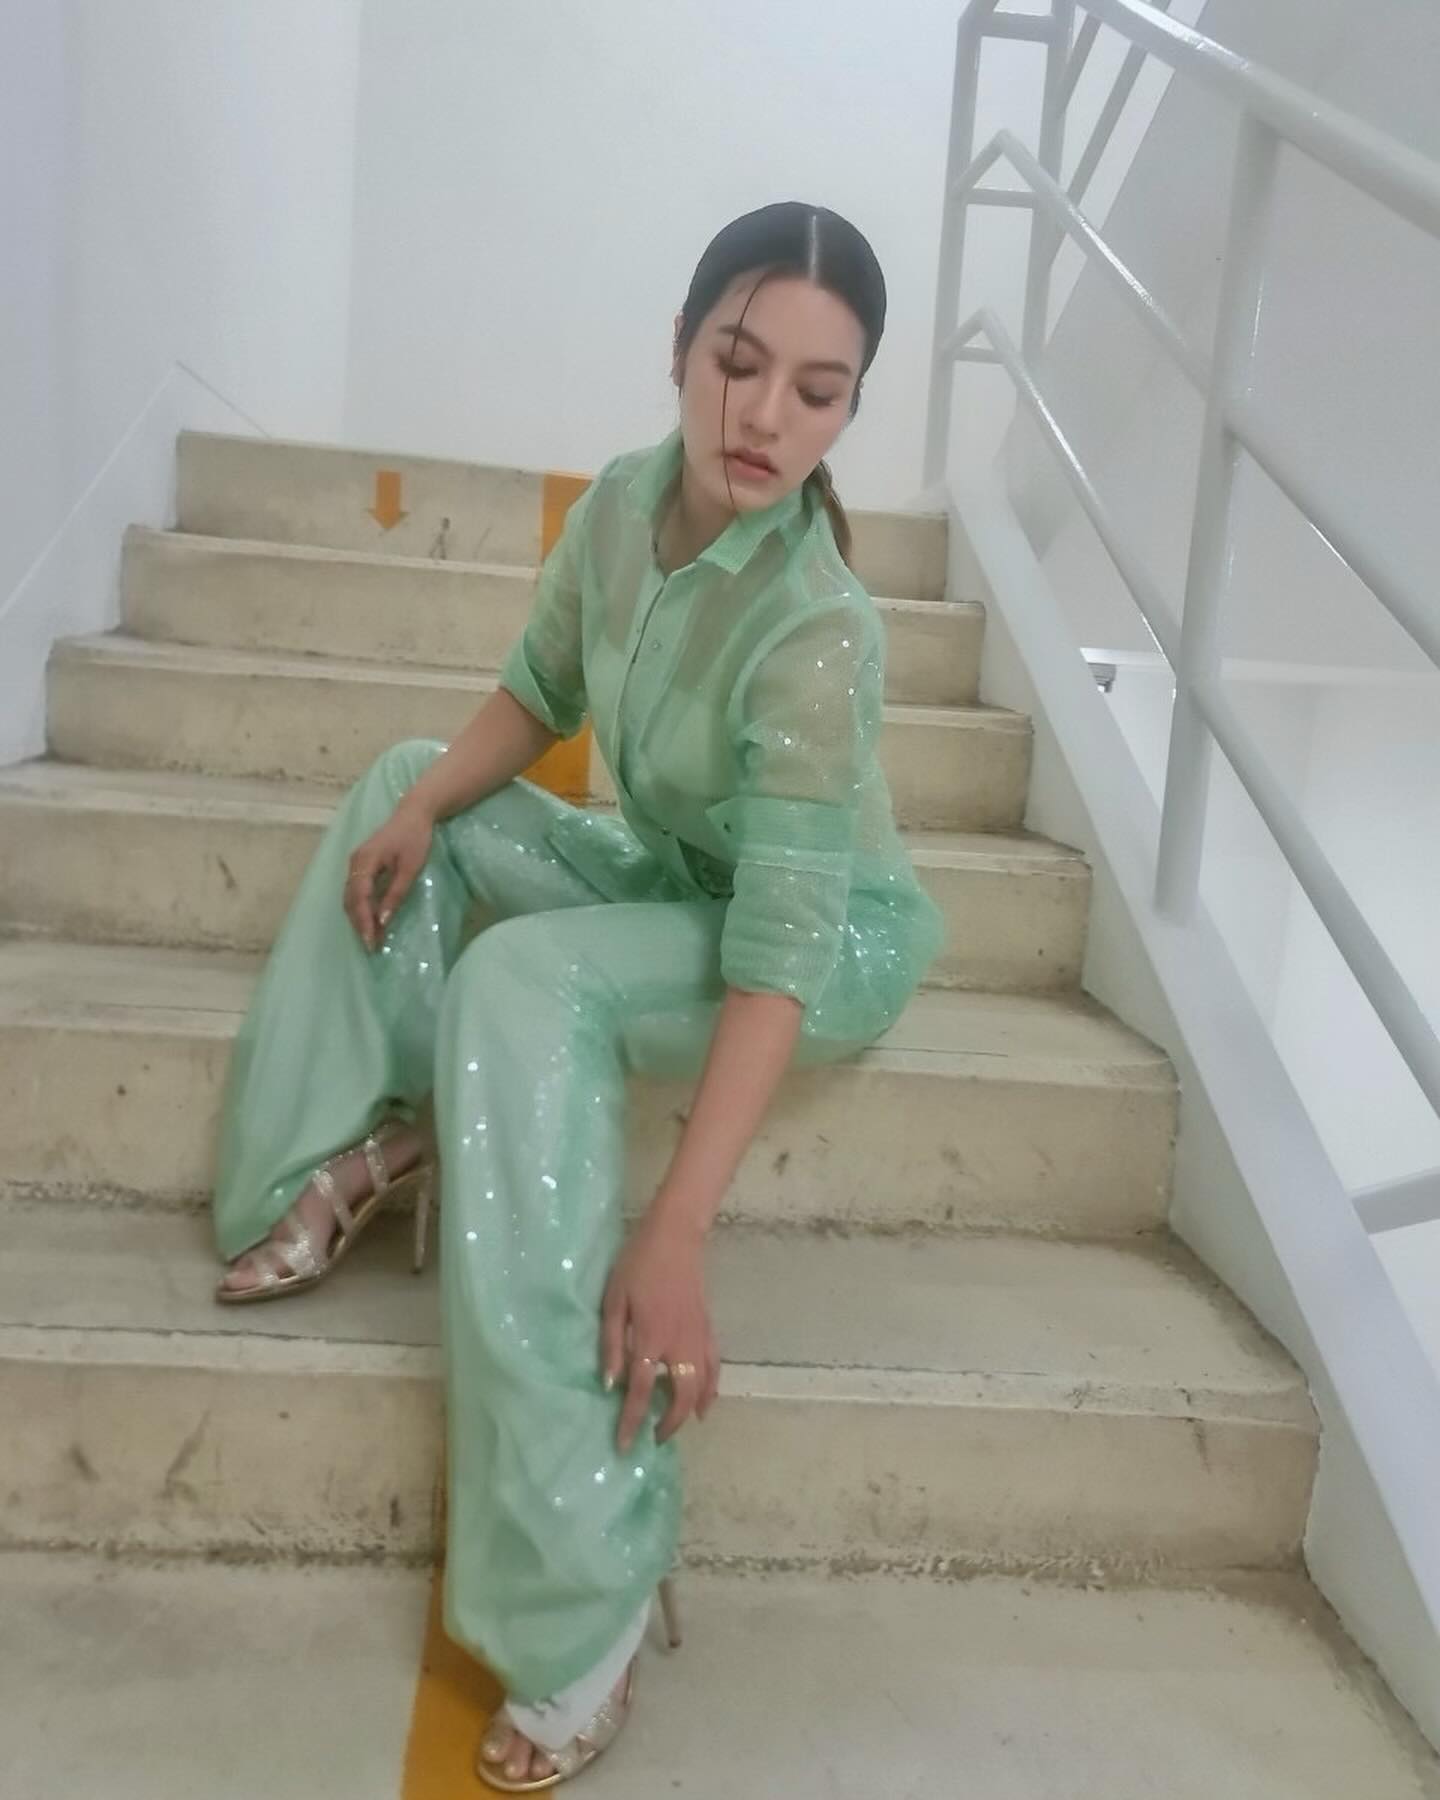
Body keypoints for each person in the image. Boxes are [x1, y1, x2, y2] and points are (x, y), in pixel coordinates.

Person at [210, 200, 945, 1791]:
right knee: (408, 781)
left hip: (816, 948)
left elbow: (776, 952)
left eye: (819, 391)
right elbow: (539, 692)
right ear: (680, 350)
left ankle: (582, 1598)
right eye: (740, 362)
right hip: (677, 880)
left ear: (848, 412)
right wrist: (427, 810)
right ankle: (361, 1144)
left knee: (529, 981)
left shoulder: (819, 628)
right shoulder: (619, 506)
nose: (768, 415)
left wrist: (673, 1229)